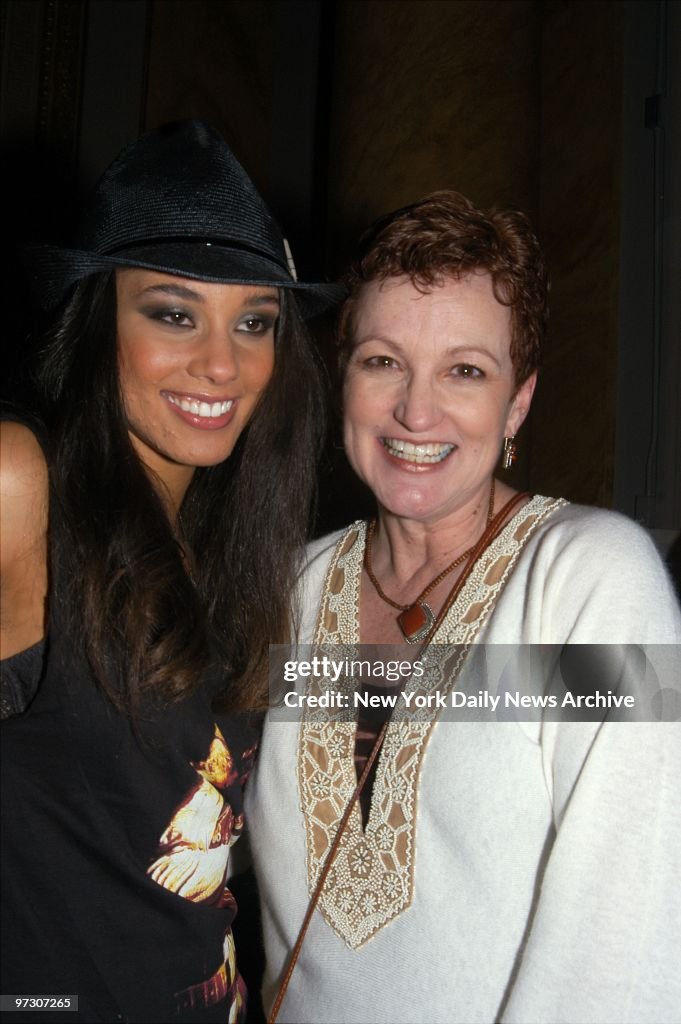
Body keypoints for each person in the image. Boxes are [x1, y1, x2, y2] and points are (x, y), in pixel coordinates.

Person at [246, 191, 681, 1023]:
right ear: (343, 378)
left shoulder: (588, 583)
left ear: (516, 403)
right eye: (381, 361)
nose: (416, 409)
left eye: (465, 371)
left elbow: (626, 934)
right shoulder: (286, 596)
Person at [0, 119, 340, 1022]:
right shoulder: (20, 485)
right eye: (174, 312)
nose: (222, 363)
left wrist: (627, 683)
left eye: (255, 321)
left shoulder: (238, 559)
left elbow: (397, 693)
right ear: (96, 315)